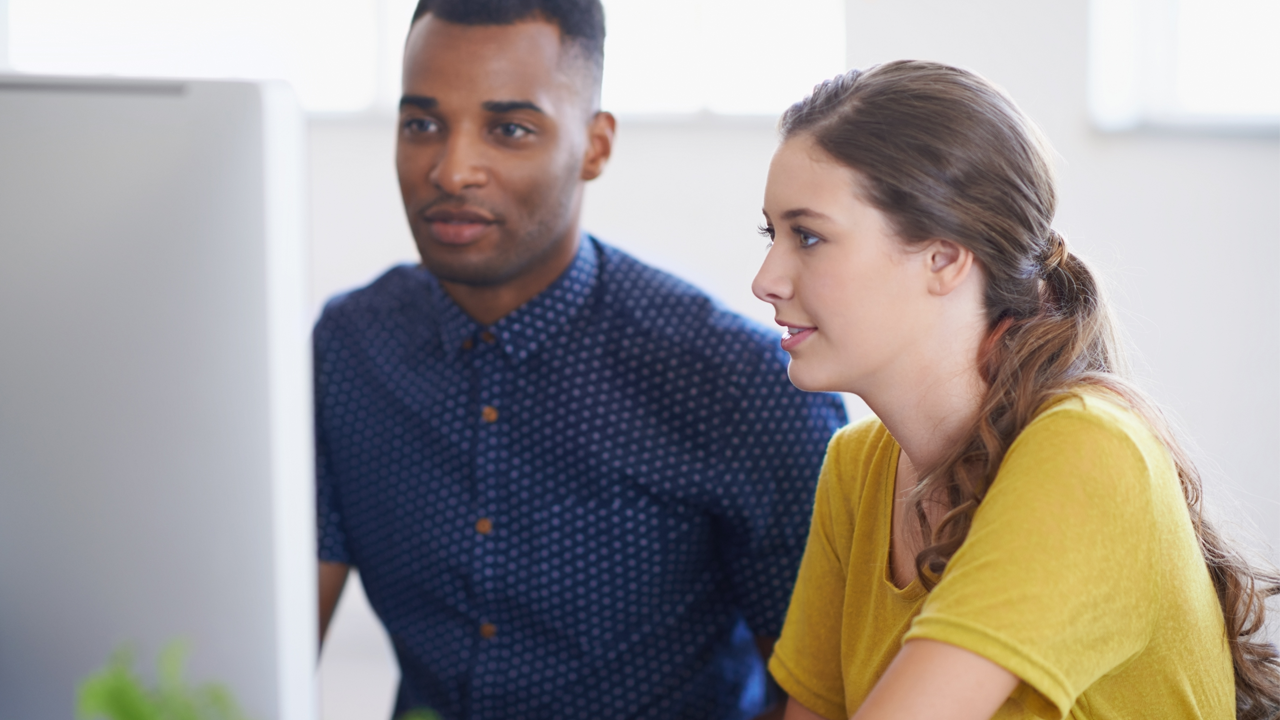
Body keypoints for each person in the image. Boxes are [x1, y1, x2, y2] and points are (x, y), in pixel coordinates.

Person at [313, 1, 847, 718]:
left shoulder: (741, 382)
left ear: (595, 146)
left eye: (509, 128)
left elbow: (817, 687)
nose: (452, 168)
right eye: (422, 124)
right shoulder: (349, 349)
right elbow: (275, 636)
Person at [751, 60, 1280, 720]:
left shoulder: (1090, 450)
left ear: (944, 258)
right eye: (773, 235)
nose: (766, 279)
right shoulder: (856, 470)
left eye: (809, 236)